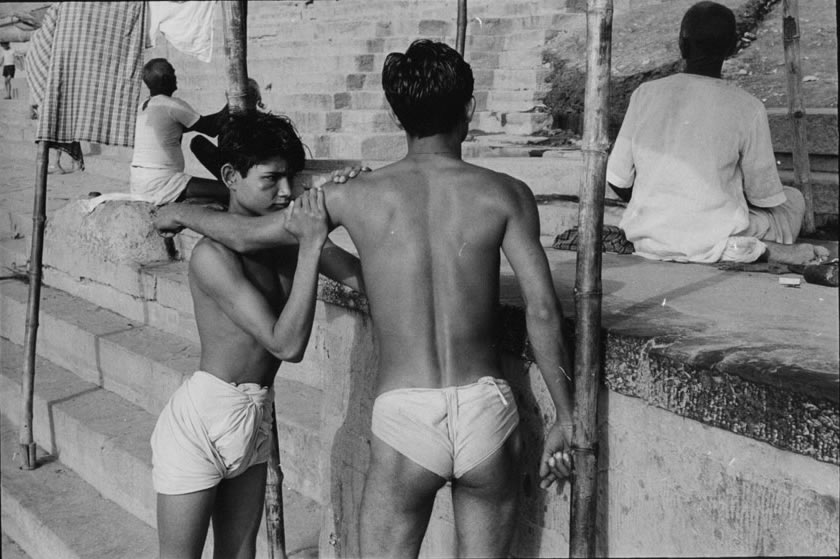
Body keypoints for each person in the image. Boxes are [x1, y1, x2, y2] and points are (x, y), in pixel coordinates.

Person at [153, 39, 573, 558]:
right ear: (468, 107)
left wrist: (182, 213)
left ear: (397, 116)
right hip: (486, 406)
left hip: (407, 415)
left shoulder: (353, 194)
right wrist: (567, 417)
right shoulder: (506, 193)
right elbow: (543, 310)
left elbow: (245, 236)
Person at [150, 111, 364, 559]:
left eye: (291, 179)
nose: (285, 192)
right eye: (271, 180)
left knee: (240, 552)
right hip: (203, 422)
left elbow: (364, 279)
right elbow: (286, 344)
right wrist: (310, 244)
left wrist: (354, 196)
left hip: (255, 417)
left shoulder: (291, 235)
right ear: (230, 176)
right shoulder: (212, 257)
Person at [607, 1, 829, 266]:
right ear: (733, 47)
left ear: (681, 42)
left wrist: (665, 204)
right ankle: (742, 247)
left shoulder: (644, 94)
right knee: (793, 200)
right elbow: (764, 195)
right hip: (715, 233)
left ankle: (725, 245)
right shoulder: (749, 107)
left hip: (649, 236)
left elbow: (618, 182)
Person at [131, 58, 230, 205]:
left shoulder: (144, 107)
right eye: (173, 73)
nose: (176, 76)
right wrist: (233, 99)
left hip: (139, 183)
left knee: (197, 142)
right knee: (230, 192)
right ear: (166, 79)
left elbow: (195, 126)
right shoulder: (173, 105)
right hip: (163, 181)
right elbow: (211, 128)